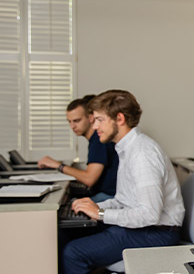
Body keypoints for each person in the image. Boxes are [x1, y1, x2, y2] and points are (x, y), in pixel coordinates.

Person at [61, 90, 185, 273]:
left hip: (157, 233)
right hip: (144, 228)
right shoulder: (127, 149)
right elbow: (123, 200)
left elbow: (149, 214)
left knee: (73, 252)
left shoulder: (142, 154)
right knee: (66, 233)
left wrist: (101, 213)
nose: (95, 127)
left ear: (119, 119)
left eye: (100, 120)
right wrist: (95, 206)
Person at [37, 95, 119, 202]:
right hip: (106, 193)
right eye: (69, 121)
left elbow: (89, 179)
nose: (72, 126)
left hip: (110, 196)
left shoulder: (99, 140)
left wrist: (58, 165)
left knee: (72, 205)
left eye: (76, 121)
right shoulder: (94, 139)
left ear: (90, 118)